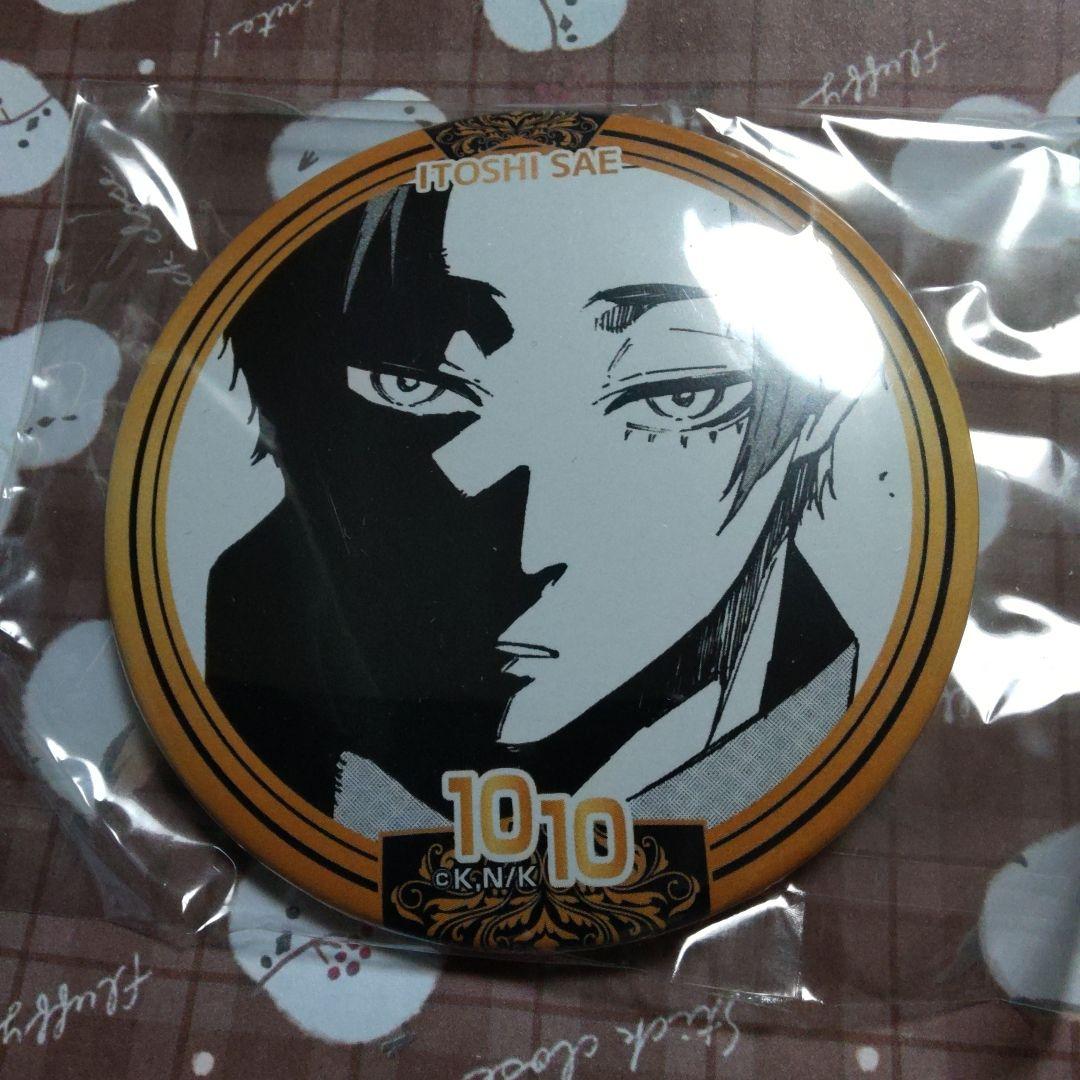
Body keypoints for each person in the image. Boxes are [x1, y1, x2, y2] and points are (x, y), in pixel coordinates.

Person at [206, 161, 876, 833]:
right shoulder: (230, 678)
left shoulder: (839, 713)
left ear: (820, 408)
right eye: (412, 385)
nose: (529, 554)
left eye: (678, 396)